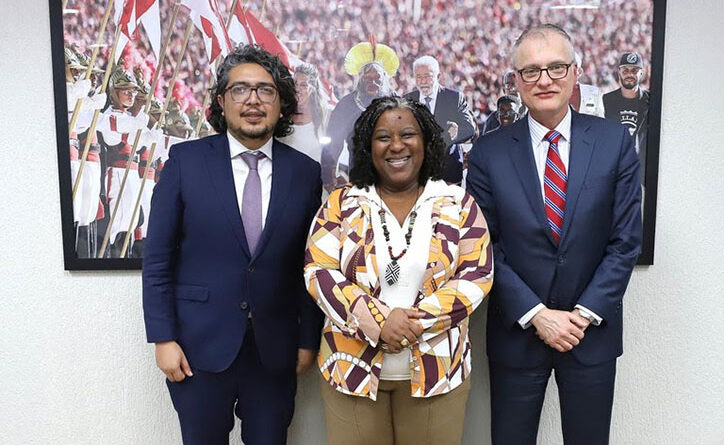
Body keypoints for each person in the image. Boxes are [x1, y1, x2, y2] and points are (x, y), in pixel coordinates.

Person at [466, 24, 642, 444]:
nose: (544, 80)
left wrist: (581, 316)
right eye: (531, 71)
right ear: (516, 81)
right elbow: (484, 245)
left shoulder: (613, 142)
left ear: (576, 72)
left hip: (590, 333)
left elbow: (625, 243)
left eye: (556, 67)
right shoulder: (488, 152)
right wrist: (538, 315)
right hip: (518, 330)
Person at [143, 45, 323, 445]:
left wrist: (309, 339)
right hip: (197, 348)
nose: (254, 100)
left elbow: (309, 266)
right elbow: (157, 260)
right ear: (222, 102)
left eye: (266, 90)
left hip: (275, 351)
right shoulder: (185, 162)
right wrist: (163, 338)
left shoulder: (305, 174)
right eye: (240, 90)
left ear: (282, 104)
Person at [305, 96, 493, 445]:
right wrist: (378, 322)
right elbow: (319, 270)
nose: (396, 146)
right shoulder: (341, 203)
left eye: (408, 134)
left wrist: (411, 323)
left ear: (426, 141)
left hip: (438, 373)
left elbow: (476, 276)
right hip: (351, 371)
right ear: (367, 145)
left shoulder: (458, 204)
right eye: (383, 137)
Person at [320, 39, 399, 191]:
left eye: (377, 79)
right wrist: (328, 174)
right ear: (360, 79)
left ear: (385, 80)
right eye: (368, 78)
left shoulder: (398, 103)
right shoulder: (346, 106)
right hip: (359, 180)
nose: (372, 83)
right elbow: (332, 142)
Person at [404, 55, 476, 185]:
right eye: (418, 77)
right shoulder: (407, 100)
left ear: (438, 76)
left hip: (448, 172)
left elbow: (469, 129)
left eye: (427, 76)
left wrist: (453, 135)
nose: (423, 81)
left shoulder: (454, 98)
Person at [603, 52, 650, 181]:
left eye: (634, 70)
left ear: (642, 73)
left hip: (641, 174)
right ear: (619, 72)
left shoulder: (651, 101)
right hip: (614, 172)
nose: (629, 74)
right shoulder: (606, 101)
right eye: (625, 70)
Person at [278, 63, 329, 164]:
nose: (297, 89)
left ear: (313, 89)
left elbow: (330, 157)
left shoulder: (325, 117)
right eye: (295, 83)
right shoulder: (282, 113)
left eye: (303, 85)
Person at [482, 70, 526, 135]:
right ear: (504, 90)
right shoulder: (494, 119)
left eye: (517, 85)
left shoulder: (533, 116)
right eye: (509, 85)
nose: (513, 89)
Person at [570, 51, 604, 117]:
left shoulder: (595, 93)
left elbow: (602, 121)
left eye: (573, 67)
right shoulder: (553, 95)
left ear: (579, 71)